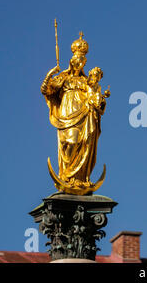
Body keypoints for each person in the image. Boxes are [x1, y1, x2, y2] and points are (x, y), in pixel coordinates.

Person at [41, 33, 108, 189]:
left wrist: (100, 100)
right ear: (72, 62)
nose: (80, 64)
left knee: (86, 142)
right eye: (77, 61)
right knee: (71, 141)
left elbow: (96, 98)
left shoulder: (87, 81)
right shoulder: (64, 78)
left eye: (82, 62)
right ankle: (67, 176)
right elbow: (47, 90)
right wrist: (51, 74)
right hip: (68, 112)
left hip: (85, 114)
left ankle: (81, 178)